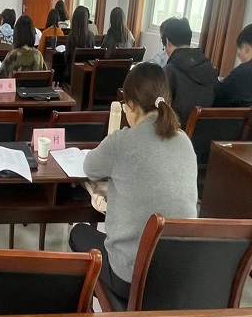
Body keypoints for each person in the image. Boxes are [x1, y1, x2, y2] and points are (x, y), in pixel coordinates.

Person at [69, 62, 198, 300]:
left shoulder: (121, 141)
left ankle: (106, 307)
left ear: (131, 105)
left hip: (131, 280)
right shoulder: (184, 141)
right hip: (178, 278)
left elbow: (89, 168)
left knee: (78, 233)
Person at [162, 17, 217, 128]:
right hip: (206, 131)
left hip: (177, 133)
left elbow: (162, 110)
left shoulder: (170, 70)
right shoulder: (208, 67)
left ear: (167, 42)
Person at [213, 24, 252, 107]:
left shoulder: (243, 72)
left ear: (246, 49)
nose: (238, 55)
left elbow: (217, 97)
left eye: (239, 50)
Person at [63, 6, 95, 83]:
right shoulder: (91, 36)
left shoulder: (71, 36)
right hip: (87, 76)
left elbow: (66, 57)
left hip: (72, 75)